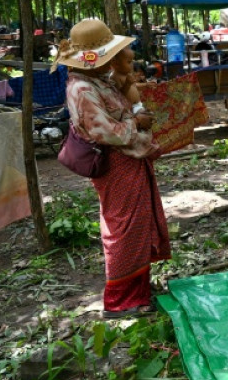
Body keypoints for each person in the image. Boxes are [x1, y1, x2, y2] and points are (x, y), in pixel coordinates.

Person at [55, 18, 169, 318]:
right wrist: (136, 122)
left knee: (136, 224)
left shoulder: (94, 81)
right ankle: (122, 300)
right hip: (115, 164)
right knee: (124, 229)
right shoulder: (82, 88)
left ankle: (138, 290)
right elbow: (103, 131)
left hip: (127, 162)